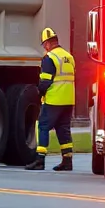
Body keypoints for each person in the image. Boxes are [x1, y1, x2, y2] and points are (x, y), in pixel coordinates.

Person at [27, 27, 76, 171]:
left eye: (44, 45)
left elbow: (45, 81)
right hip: (68, 100)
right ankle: (67, 160)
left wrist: (39, 93)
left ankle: (40, 160)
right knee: (63, 129)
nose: (44, 48)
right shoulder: (69, 57)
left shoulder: (50, 58)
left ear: (47, 43)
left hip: (54, 100)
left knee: (42, 126)